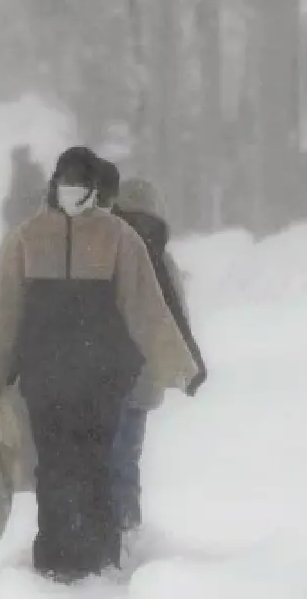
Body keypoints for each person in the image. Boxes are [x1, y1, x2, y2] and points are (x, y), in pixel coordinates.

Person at [0, 146, 198, 583]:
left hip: (103, 377)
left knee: (93, 461)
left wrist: (177, 364)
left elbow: (147, 309)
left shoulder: (118, 240)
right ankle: (56, 554)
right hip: (44, 376)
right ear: (55, 184)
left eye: (79, 185)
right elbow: (1, 313)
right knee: (52, 465)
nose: (72, 192)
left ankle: (97, 552)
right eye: (66, 183)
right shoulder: (28, 239)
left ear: (91, 189)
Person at [109, 176, 209, 532]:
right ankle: (127, 528)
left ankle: (106, 532)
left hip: (103, 374)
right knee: (126, 458)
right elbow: (177, 315)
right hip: (143, 378)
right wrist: (189, 363)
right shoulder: (159, 258)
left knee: (102, 457)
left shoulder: (106, 252)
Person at [2, 144, 47, 234]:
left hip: (34, 213)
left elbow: (42, 191)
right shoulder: (17, 177)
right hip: (22, 217)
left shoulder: (33, 171)